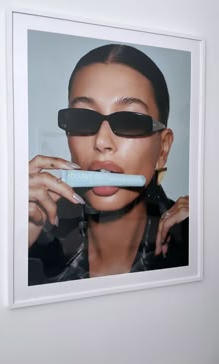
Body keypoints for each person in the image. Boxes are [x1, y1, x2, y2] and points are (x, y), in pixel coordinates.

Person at [28, 44, 189, 285]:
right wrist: (9, 247)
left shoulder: (191, 238)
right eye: (83, 119)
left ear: (163, 148)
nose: (102, 142)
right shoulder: (34, 236)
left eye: (130, 120)